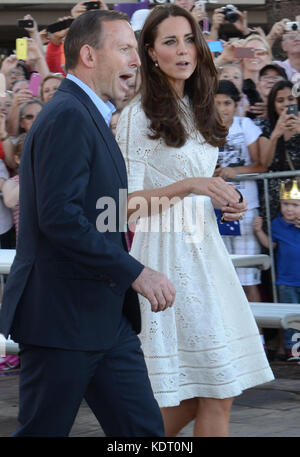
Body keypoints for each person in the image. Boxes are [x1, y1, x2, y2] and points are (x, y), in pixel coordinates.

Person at [0, 9, 176, 437]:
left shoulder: (89, 115)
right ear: (88, 56)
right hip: (63, 319)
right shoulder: (68, 115)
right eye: (124, 49)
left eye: (136, 51)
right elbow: (61, 219)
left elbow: (96, 212)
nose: (137, 60)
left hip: (106, 320)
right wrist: (135, 272)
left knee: (146, 435)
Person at [116, 4, 274, 437]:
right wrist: (192, 186)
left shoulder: (194, 106)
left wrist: (226, 195)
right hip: (167, 259)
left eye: (189, 39)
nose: (183, 50)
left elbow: (198, 181)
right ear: (150, 52)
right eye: (170, 42)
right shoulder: (137, 115)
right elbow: (122, 206)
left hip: (205, 254)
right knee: (214, 391)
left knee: (211, 392)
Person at [214, 80, 266, 303]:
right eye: (216, 103)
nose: (222, 108)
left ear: (235, 104)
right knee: (222, 278)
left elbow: (261, 165)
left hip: (245, 208)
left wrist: (233, 171)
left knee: (248, 278)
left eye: (227, 103)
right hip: (214, 209)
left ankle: (259, 338)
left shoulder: (245, 125)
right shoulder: (201, 128)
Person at [253, 179, 300, 362]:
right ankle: (295, 352)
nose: (289, 209)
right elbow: (270, 245)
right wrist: (259, 232)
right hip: (287, 282)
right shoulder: (277, 224)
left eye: (295, 205)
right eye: (286, 204)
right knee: (292, 320)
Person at [258, 80, 300, 223]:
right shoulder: (267, 128)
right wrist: (276, 134)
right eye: (280, 100)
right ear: (273, 104)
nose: (286, 104)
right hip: (274, 202)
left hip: (297, 202)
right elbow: (265, 164)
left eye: (290, 99)